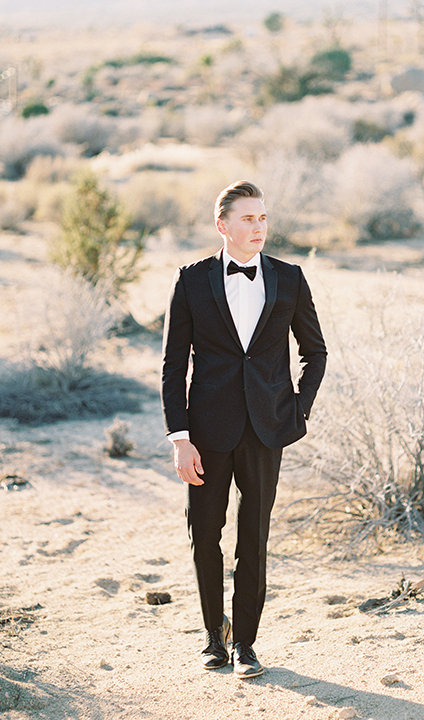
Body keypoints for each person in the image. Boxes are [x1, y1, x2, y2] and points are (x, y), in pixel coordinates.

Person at [161, 180, 327, 679]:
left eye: (263, 218)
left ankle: (247, 645)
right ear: (223, 225)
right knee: (204, 534)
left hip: (267, 429)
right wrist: (180, 437)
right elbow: (173, 366)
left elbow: (315, 352)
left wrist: (299, 410)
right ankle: (215, 636)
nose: (258, 227)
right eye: (248, 219)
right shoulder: (191, 280)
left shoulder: (290, 278)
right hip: (207, 434)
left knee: (254, 537)